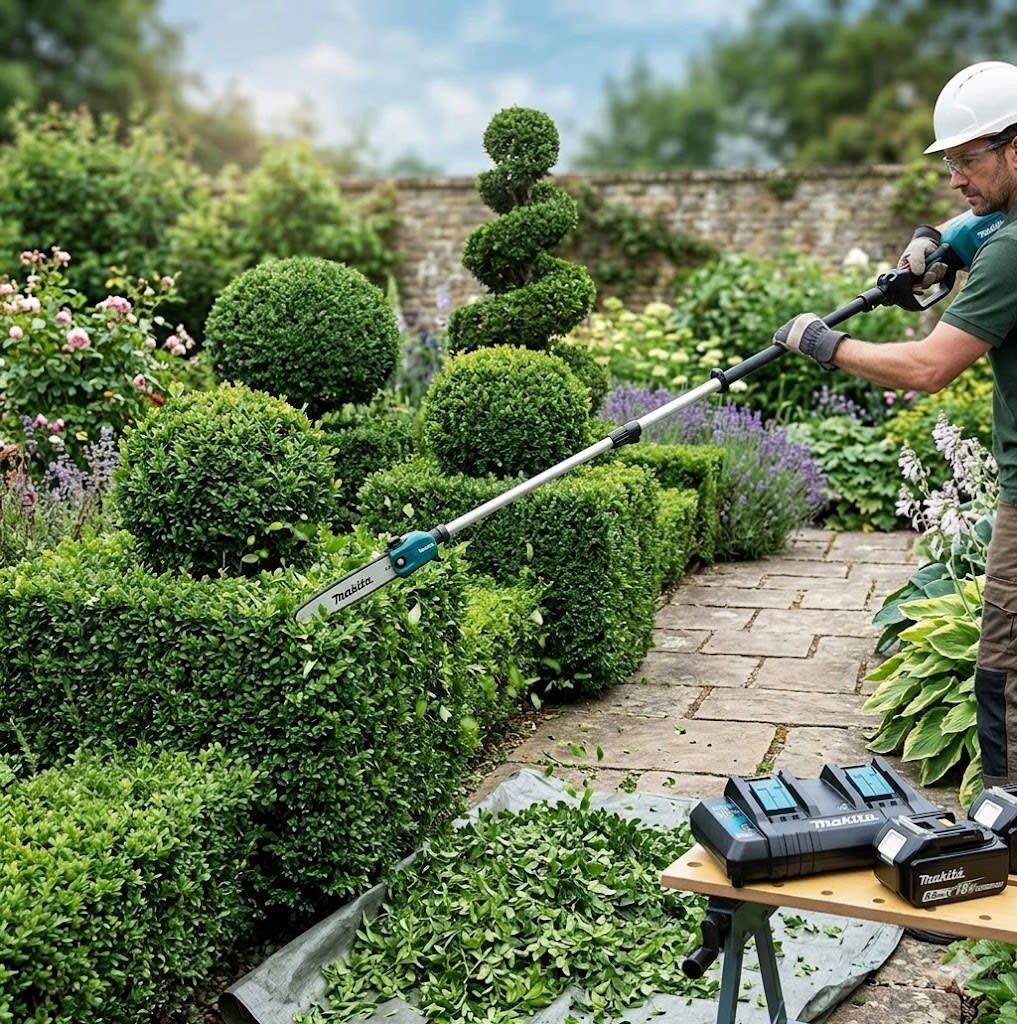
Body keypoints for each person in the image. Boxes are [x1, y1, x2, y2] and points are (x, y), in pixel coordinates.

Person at [773, 60, 1017, 790]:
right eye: (948, 162)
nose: (954, 179)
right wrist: (933, 244)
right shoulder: (999, 228)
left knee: (1004, 673)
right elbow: (974, 224)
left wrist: (825, 344)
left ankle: (1009, 828)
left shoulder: (1009, 251)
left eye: (967, 159)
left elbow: (927, 369)